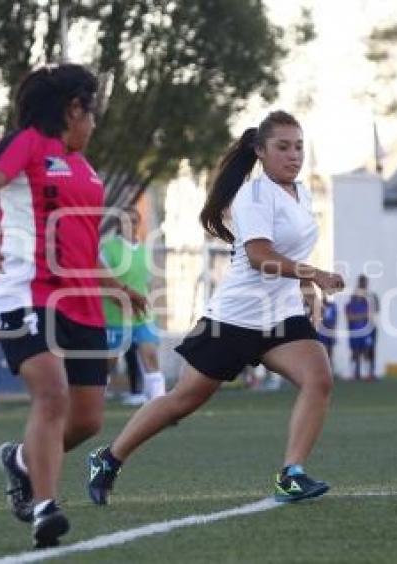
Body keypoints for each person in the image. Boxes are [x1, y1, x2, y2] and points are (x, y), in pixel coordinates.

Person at [86, 110, 345, 506]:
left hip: (280, 316)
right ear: (260, 151)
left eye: (298, 147)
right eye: (283, 147)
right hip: (235, 317)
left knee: (319, 378)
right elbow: (259, 255)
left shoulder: (301, 192)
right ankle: (109, 458)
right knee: (182, 402)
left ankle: (291, 475)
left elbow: (287, 251)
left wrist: (305, 286)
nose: (293, 156)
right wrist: (314, 273)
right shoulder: (254, 196)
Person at [0, 63, 146, 548]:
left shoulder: (86, 172)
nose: (92, 127)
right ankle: (45, 507)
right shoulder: (26, 141)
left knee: (88, 419)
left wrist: (117, 287)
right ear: (74, 109)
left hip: (83, 301)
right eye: (91, 115)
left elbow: (84, 243)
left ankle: (23, 460)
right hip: (27, 291)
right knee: (52, 395)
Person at [100, 206, 166, 405]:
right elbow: (102, 280)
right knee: (108, 362)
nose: (130, 225)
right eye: (125, 221)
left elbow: (147, 283)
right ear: (119, 224)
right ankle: (93, 397)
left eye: (134, 221)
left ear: (139, 224)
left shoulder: (145, 251)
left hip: (141, 314)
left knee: (150, 354)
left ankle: (159, 401)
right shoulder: (108, 248)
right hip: (114, 313)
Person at [344, 275, 379, 380]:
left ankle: (369, 373)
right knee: (355, 351)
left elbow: (374, 312)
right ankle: (355, 373)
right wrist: (363, 316)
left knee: (368, 350)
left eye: (364, 283)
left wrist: (362, 316)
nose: (363, 285)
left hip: (368, 329)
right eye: (361, 282)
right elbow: (350, 315)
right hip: (355, 329)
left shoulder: (371, 297)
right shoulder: (353, 299)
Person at [317, 295, 338, 374]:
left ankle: (330, 371)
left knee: (330, 351)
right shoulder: (318, 305)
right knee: (322, 352)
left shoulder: (333, 306)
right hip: (322, 332)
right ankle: (321, 371)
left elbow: (335, 319)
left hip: (330, 331)